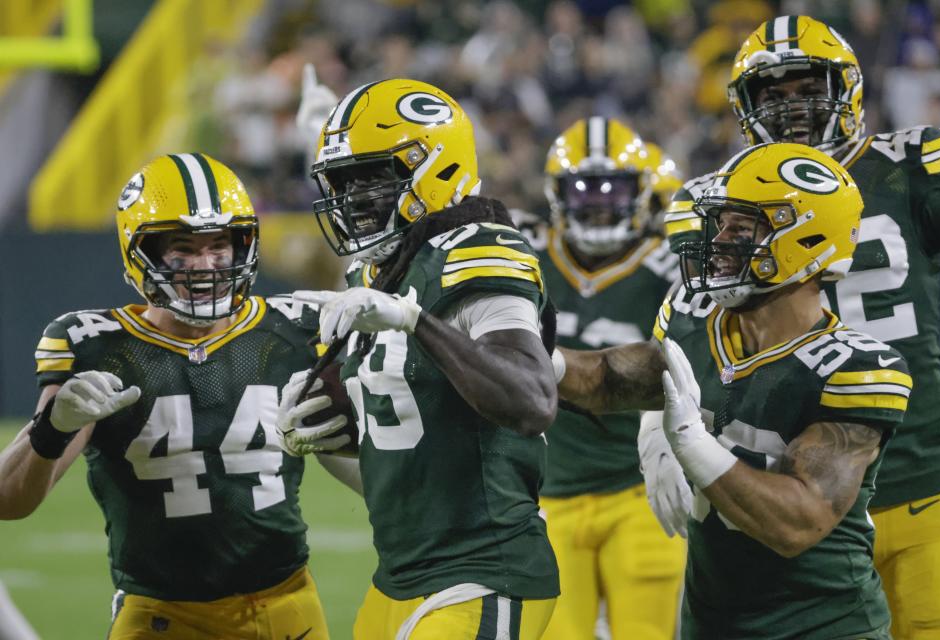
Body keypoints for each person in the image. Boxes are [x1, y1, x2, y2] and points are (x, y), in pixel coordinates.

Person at [663, 16, 940, 638]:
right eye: (772, 93)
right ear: (745, 106)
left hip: (918, 478)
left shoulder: (908, 163)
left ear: (845, 88)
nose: (791, 107)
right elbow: (687, 319)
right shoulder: (712, 199)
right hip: (784, 493)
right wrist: (652, 424)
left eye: (807, 88)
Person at [556, 142, 912, 638]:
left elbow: (798, 523)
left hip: (823, 627)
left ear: (806, 240)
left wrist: (696, 447)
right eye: (720, 224)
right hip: (713, 625)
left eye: (742, 228)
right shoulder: (694, 317)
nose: (720, 242)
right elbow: (609, 378)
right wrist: (537, 357)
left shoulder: (853, 367)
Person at [0, 153, 350, 640]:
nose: (205, 266)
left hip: (286, 604)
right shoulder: (96, 345)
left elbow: (371, 466)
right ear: (139, 251)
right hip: (160, 616)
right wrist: (52, 427)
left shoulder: (294, 331)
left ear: (244, 245)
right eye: (182, 249)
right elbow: (9, 501)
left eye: (219, 245)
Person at [278, 78, 560, 640]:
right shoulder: (379, 272)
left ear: (438, 169)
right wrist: (314, 437)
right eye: (343, 182)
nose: (353, 200)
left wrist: (414, 321)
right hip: (398, 579)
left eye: (372, 179)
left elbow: (533, 401)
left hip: (483, 570)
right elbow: (401, 463)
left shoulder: (479, 251)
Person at [534, 117, 684, 640]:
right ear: (554, 193)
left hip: (638, 491)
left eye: (613, 187)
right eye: (580, 187)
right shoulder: (525, 258)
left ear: (641, 190)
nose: (597, 201)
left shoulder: (670, 269)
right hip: (547, 493)